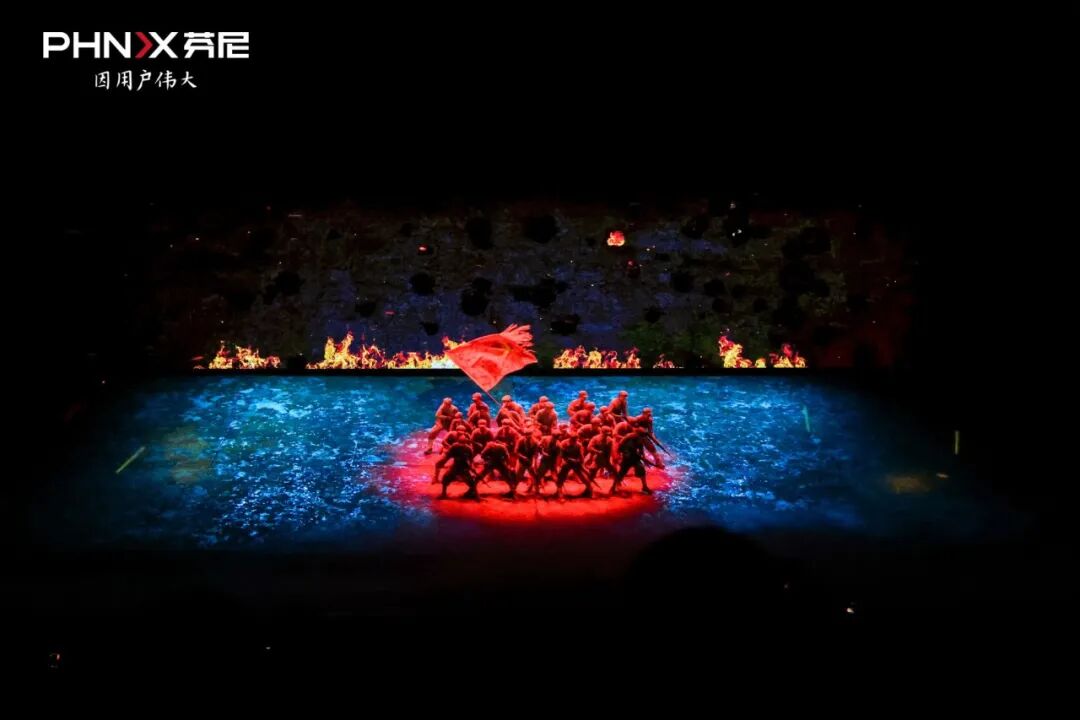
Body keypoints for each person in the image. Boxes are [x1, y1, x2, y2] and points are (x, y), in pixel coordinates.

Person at [612, 427, 651, 495]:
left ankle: (644, 486)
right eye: (641, 435)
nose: (642, 437)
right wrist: (619, 455)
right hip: (627, 458)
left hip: (635, 457)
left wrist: (644, 458)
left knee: (641, 468)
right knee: (621, 473)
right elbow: (620, 446)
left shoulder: (640, 439)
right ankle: (613, 487)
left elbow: (641, 449)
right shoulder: (628, 437)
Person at [555, 430, 592, 498]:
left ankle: (589, 490)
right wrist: (559, 464)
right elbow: (560, 455)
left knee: (584, 476)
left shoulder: (578, 445)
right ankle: (559, 491)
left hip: (576, 462)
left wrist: (580, 463)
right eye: (572, 439)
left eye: (575, 439)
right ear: (570, 438)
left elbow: (581, 456)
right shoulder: (564, 443)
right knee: (561, 476)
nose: (574, 440)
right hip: (567, 462)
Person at [514, 425, 543, 494]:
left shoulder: (535, 442)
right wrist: (522, 457)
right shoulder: (520, 441)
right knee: (518, 476)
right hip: (522, 461)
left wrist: (534, 463)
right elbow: (516, 451)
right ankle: (513, 490)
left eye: (529, 434)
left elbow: (536, 454)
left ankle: (536, 490)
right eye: (526, 434)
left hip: (530, 461)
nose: (527, 436)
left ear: (531, 434)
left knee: (534, 476)